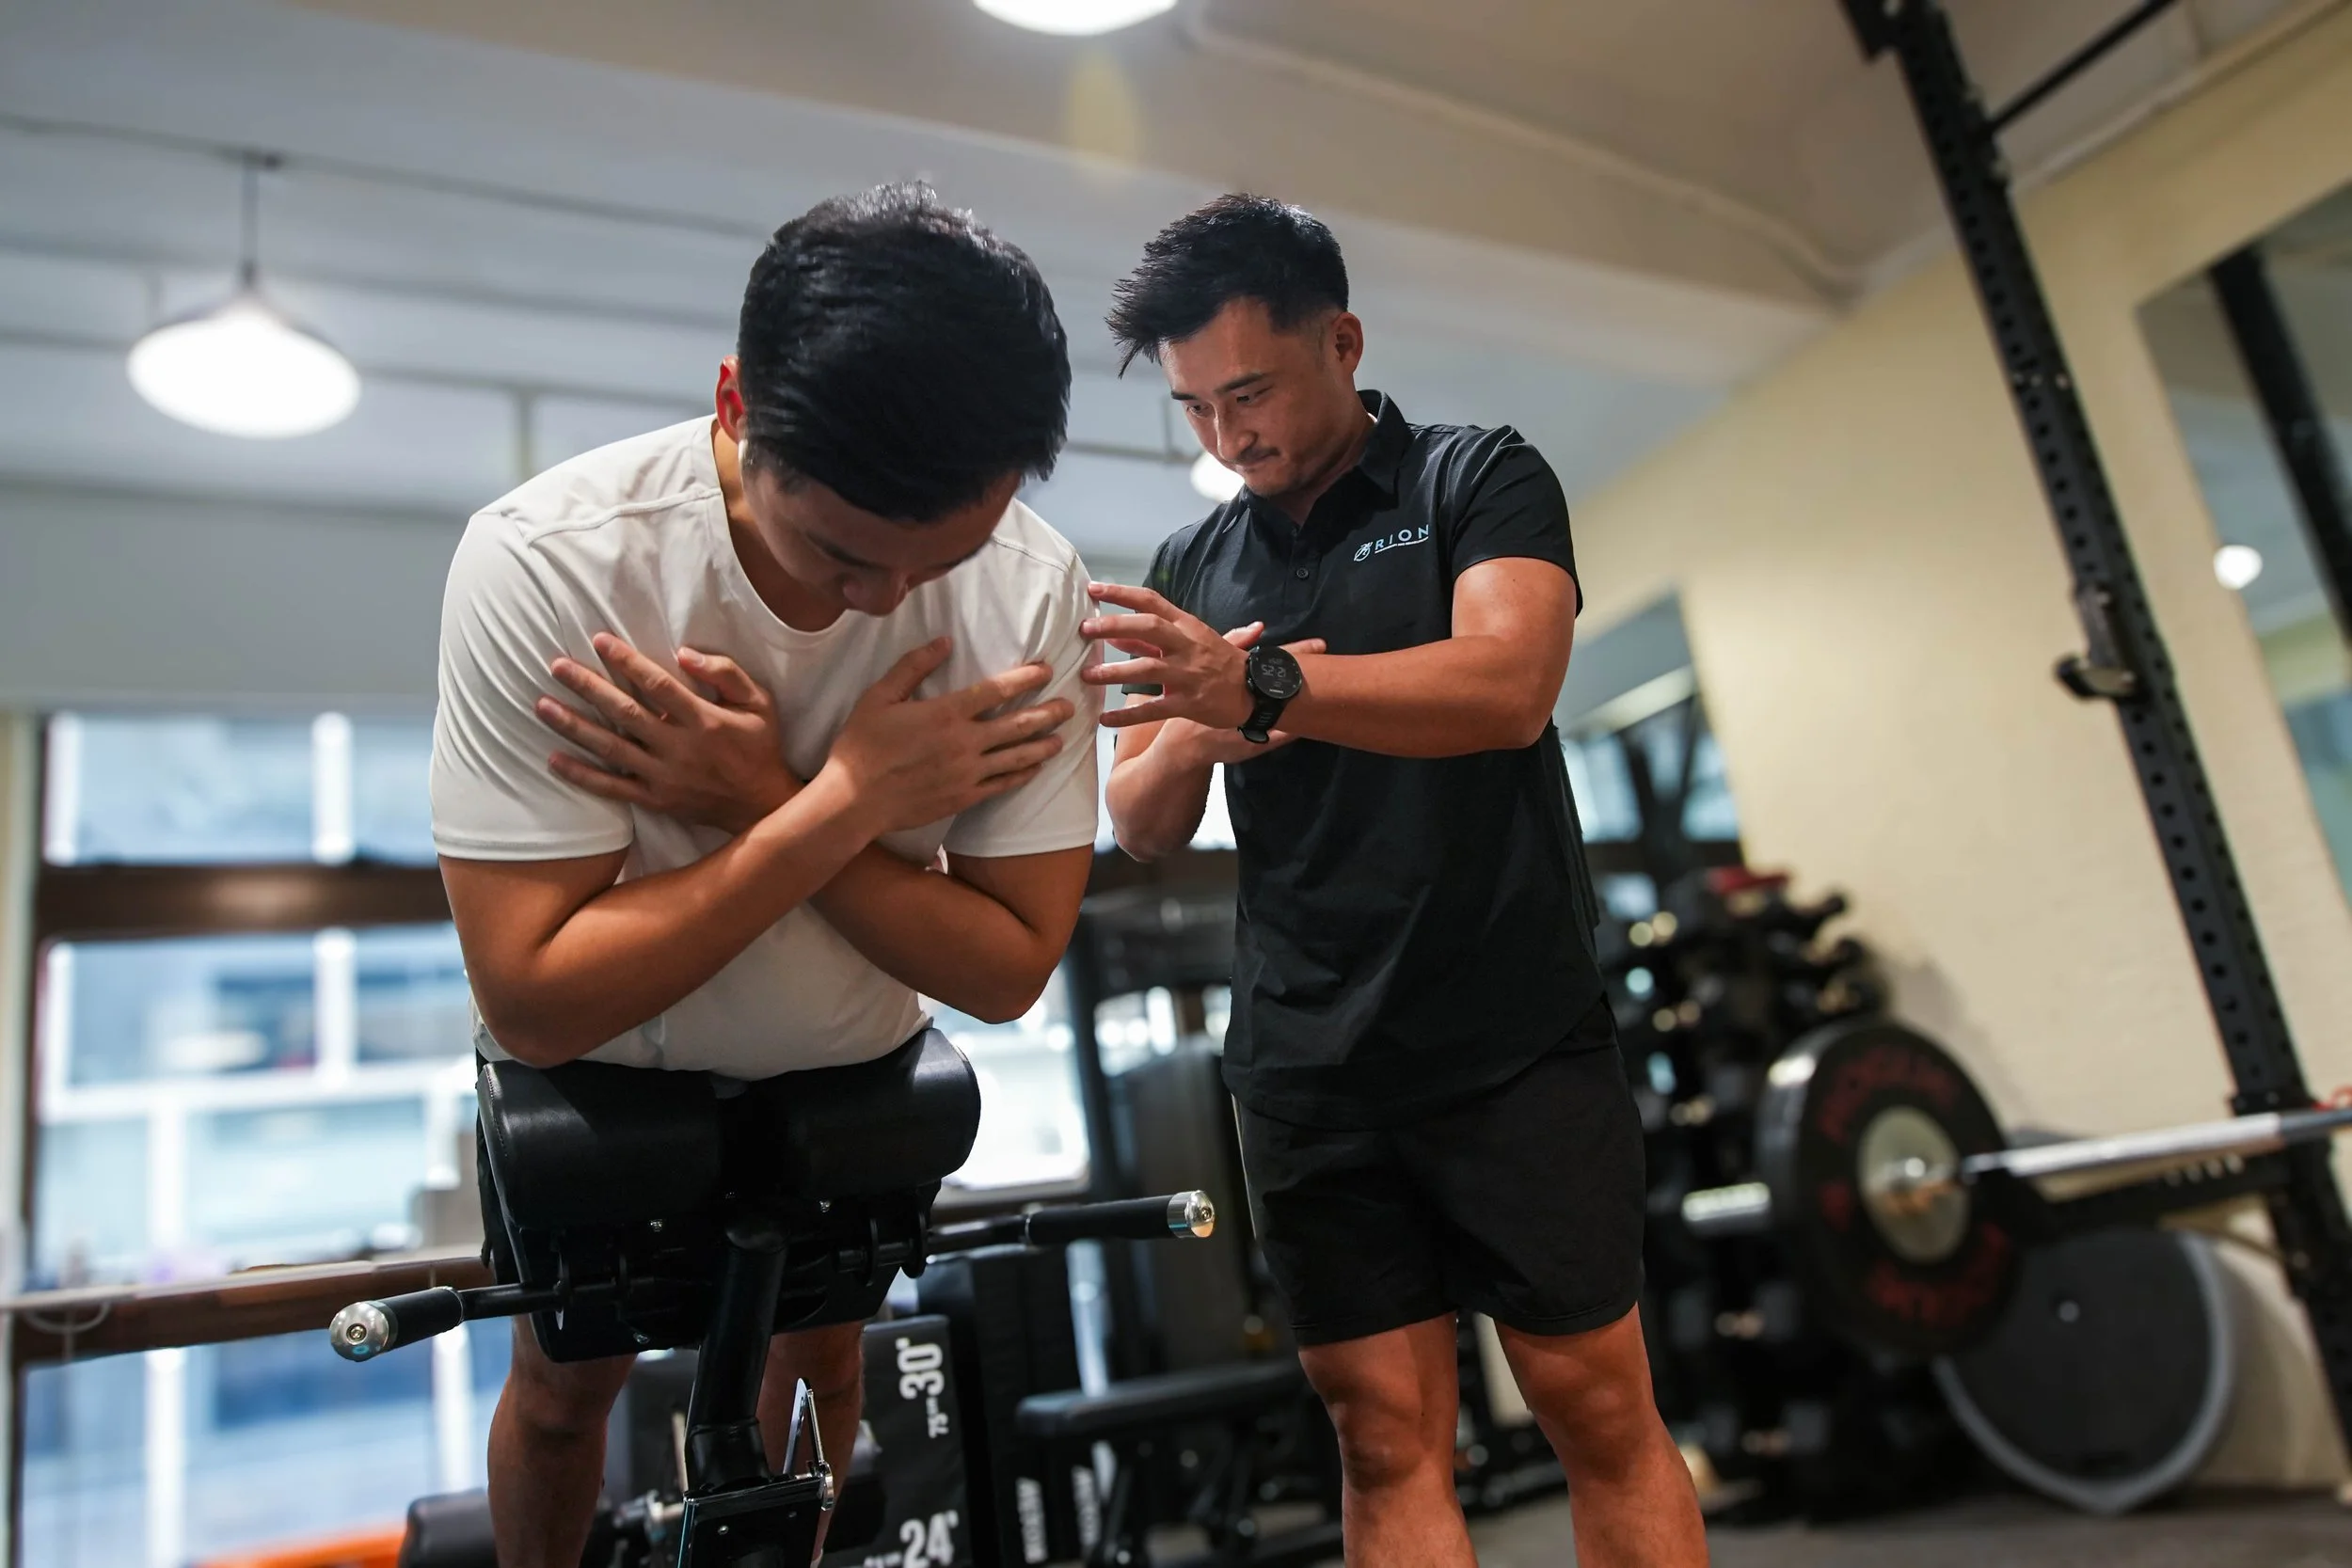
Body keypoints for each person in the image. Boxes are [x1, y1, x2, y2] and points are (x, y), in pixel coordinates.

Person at [429, 185, 1102, 1568]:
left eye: (942, 555)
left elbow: (1007, 968)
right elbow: (538, 997)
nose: (886, 600)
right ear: (735, 405)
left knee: (826, 1373)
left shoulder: (1033, 593)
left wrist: (756, 796)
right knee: (561, 1394)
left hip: (850, 1062)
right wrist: (842, 804)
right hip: (604, 1069)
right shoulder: (554, 564)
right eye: (844, 553)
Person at [1088, 196, 1708, 1567]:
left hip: (1508, 1032)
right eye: (1195, 408)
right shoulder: (1194, 564)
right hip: (1309, 1059)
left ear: (1344, 341)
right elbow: (1138, 819)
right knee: (1378, 1435)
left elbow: (1508, 685)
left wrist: (1266, 684)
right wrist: (1200, 722)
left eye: (1250, 391)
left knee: (1595, 1405)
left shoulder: (1476, 476)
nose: (1226, 436)